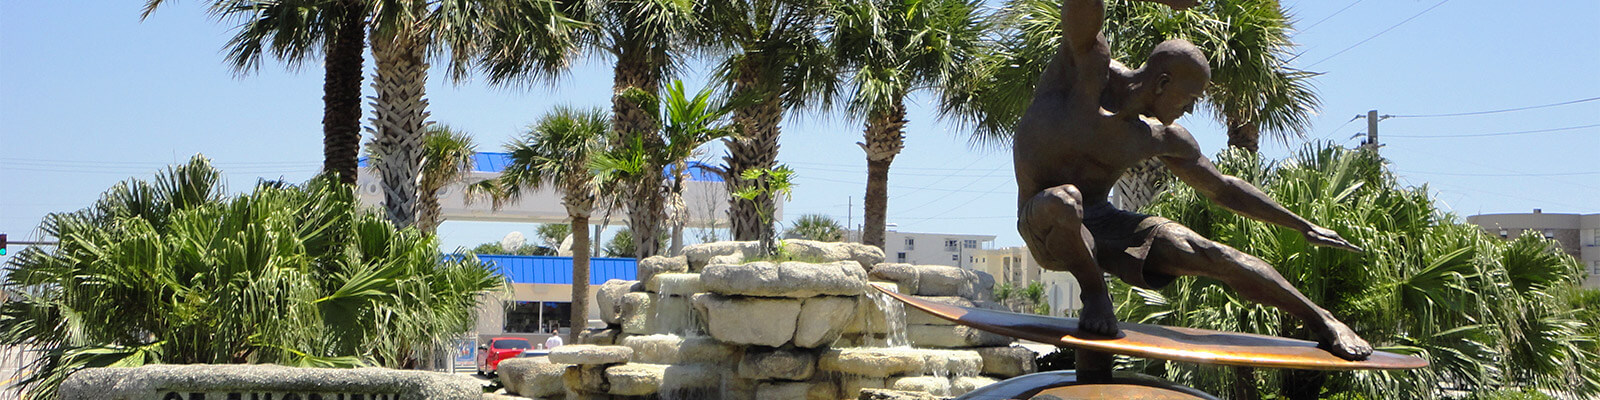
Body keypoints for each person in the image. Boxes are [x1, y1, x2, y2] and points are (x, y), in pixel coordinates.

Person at [1013, 0, 1372, 360]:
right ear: (1163, 82)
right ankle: (1094, 294)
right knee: (1065, 201)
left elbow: (1224, 188)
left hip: (1103, 226)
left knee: (1212, 254)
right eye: (1190, 98)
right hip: (1045, 224)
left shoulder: (1162, 138)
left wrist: (1301, 225)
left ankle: (1322, 320)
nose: (1190, 109)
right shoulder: (1087, 69)